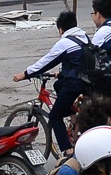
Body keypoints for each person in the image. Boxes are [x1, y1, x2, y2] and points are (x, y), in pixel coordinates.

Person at [13, 10, 98, 152]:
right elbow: (77, 61)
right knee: (58, 84)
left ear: (61, 29)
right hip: (88, 81)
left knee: (55, 117)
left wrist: (26, 74)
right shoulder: (84, 37)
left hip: (75, 84)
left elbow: (46, 61)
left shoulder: (65, 42)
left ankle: (68, 151)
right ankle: (73, 116)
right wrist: (61, 73)